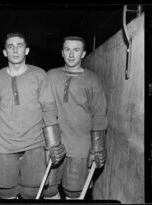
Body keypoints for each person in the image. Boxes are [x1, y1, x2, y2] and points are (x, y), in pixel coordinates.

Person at [0, 32, 66, 199]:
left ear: (26, 50)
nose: (15, 50)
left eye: (19, 46)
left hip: (34, 141)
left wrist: (54, 144)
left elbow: (49, 110)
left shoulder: (39, 75)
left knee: (32, 191)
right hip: (3, 143)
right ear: (5, 52)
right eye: (10, 46)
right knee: (5, 191)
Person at [47, 36, 108, 199]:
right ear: (62, 53)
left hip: (81, 147)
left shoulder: (92, 80)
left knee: (74, 193)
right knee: (48, 190)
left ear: (83, 54)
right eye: (67, 50)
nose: (71, 54)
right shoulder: (51, 76)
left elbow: (99, 115)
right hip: (54, 144)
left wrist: (98, 147)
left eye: (76, 50)